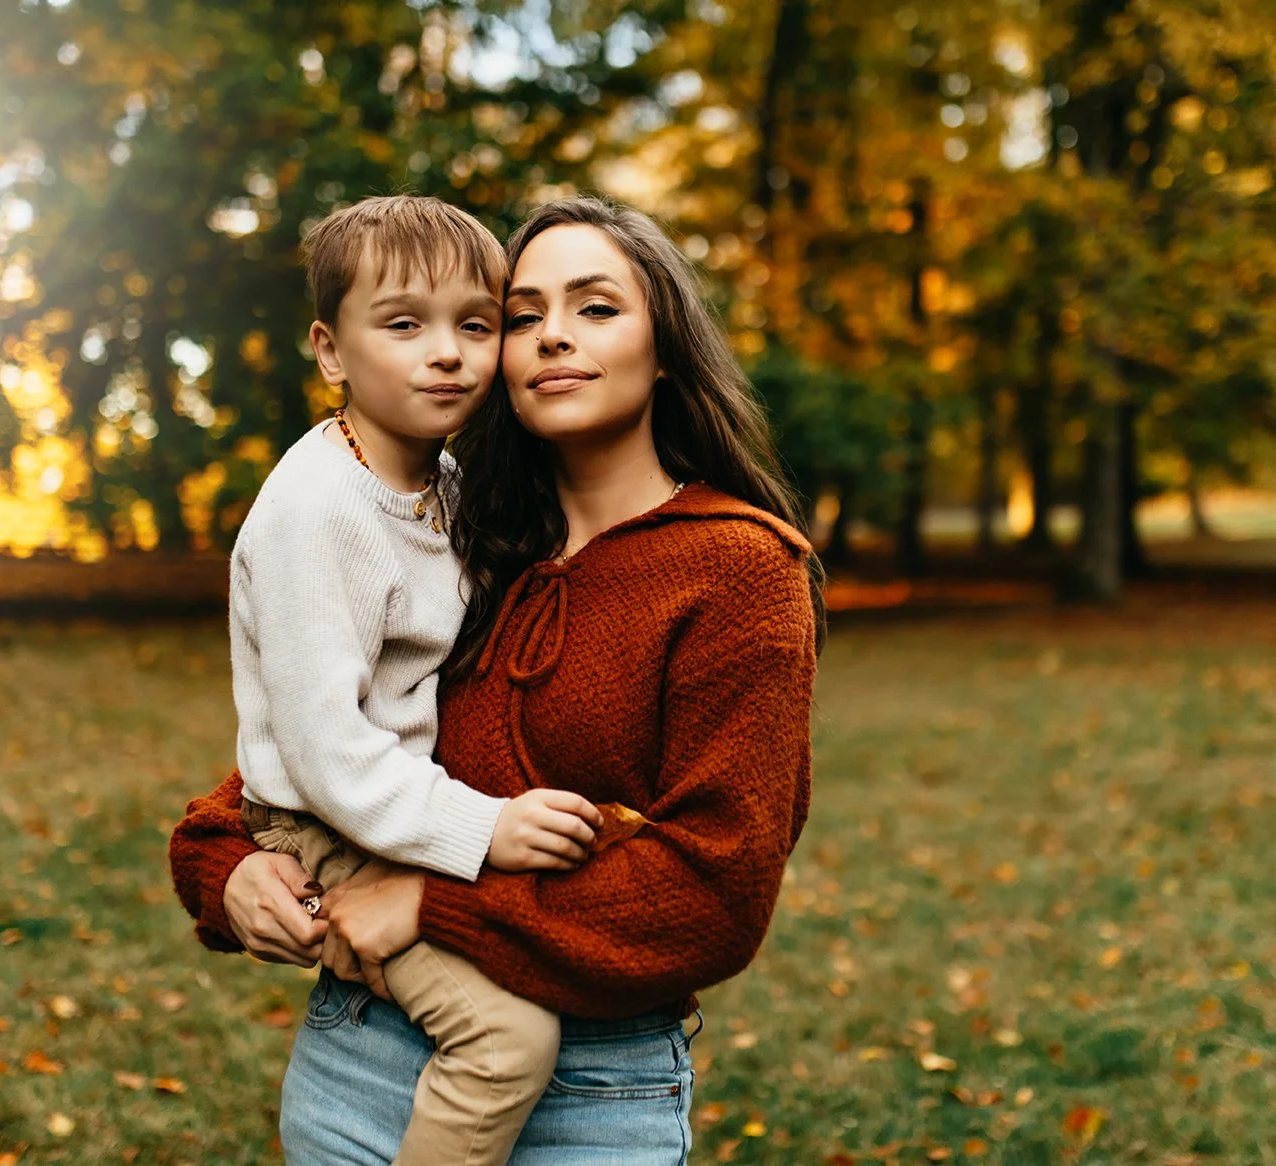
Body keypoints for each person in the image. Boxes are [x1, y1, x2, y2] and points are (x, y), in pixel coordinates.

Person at [171, 195, 825, 1164]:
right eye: (523, 315)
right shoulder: (466, 532)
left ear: (666, 344)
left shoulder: (734, 568)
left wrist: (429, 902)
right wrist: (222, 869)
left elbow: (711, 895)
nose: (552, 336)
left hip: (589, 1095)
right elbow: (327, 744)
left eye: (596, 307)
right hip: (358, 1061)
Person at [214, 192, 610, 1164]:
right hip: (329, 819)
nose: (448, 352)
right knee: (507, 1038)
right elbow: (323, 747)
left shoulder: (440, 481)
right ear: (330, 350)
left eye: (474, 325)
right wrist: (485, 828)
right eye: (403, 324)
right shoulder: (318, 510)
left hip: (384, 801)